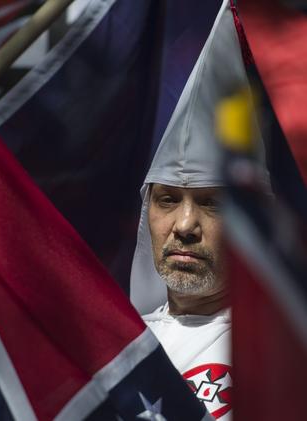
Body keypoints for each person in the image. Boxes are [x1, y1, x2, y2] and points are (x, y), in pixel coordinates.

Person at [130, 0, 270, 419]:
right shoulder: (117, 349)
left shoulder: (281, 350)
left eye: (212, 203)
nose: (185, 226)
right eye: (168, 199)